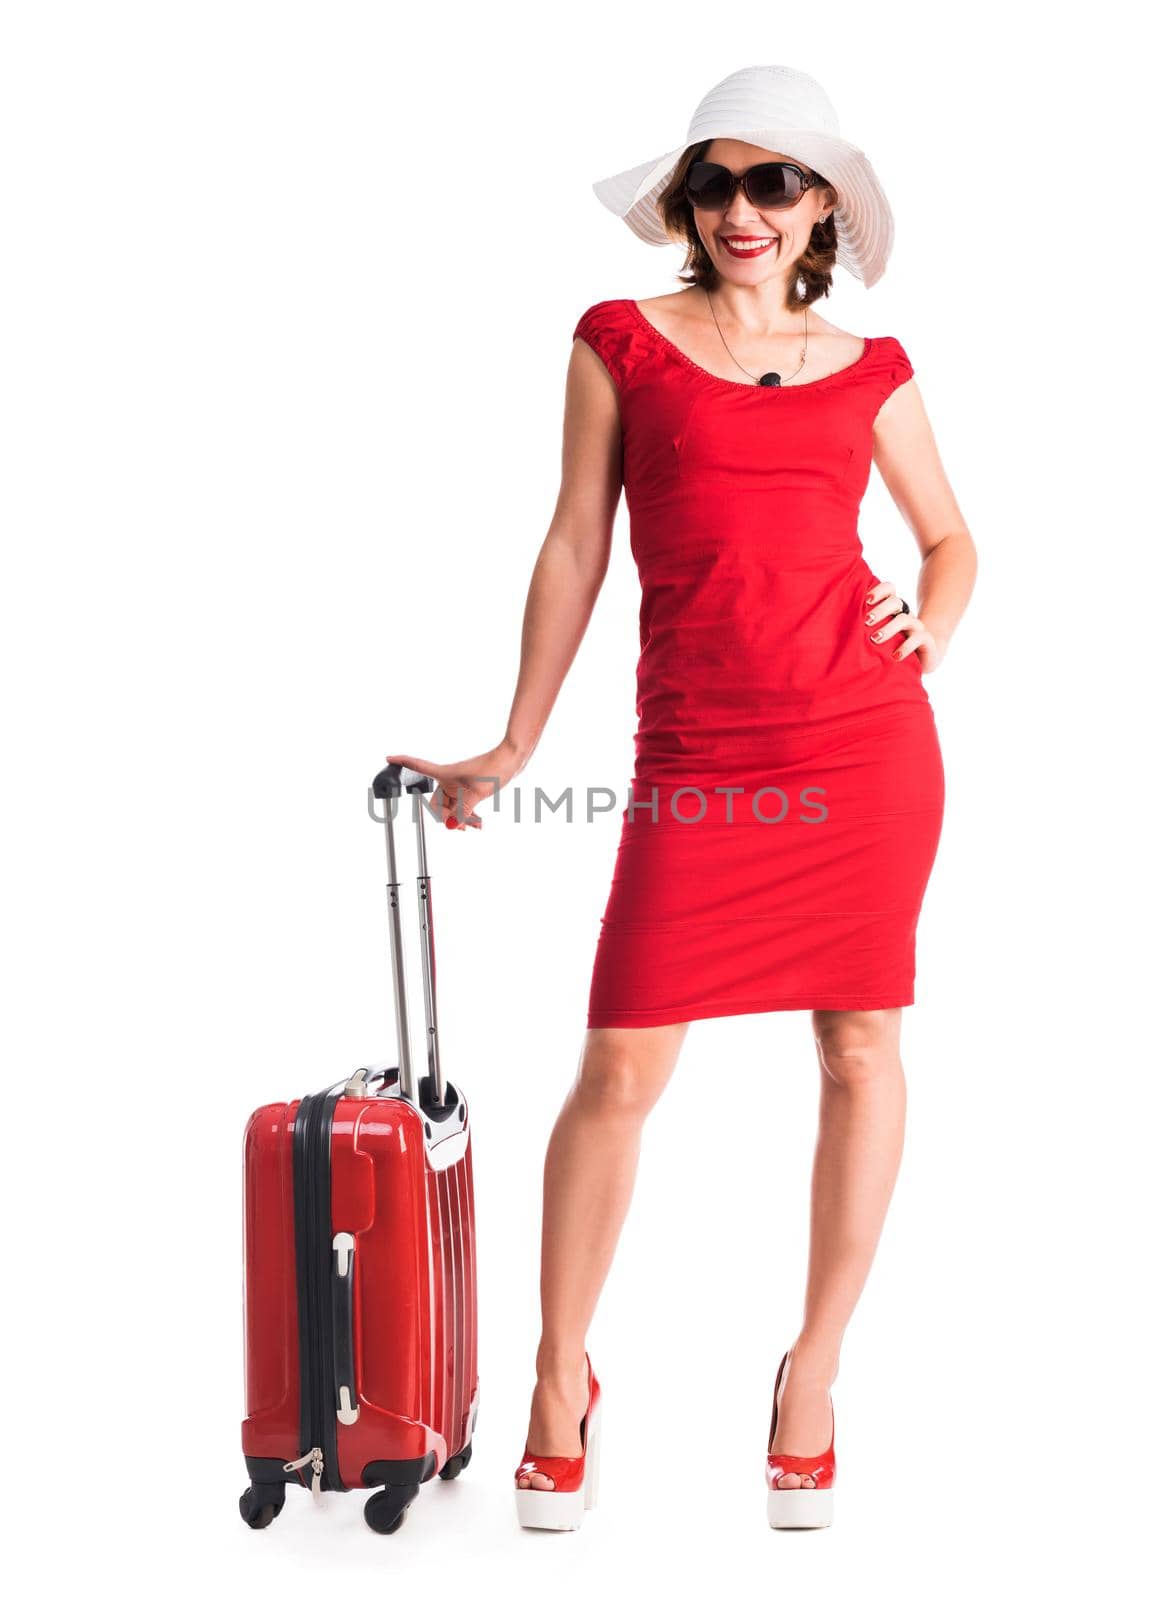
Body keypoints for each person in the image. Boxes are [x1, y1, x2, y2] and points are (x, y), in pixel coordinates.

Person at [387, 63, 976, 1532]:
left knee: (859, 1055)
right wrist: (514, 744)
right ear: (686, 205)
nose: (740, 210)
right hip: (702, 763)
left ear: (824, 199)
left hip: (863, 751)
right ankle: (558, 1375)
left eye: (773, 181)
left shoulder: (873, 366)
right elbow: (576, 547)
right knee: (625, 1072)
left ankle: (812, 1380)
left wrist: (931, 617)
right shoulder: (621, 344)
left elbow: (954, 539)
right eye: (714, 183)